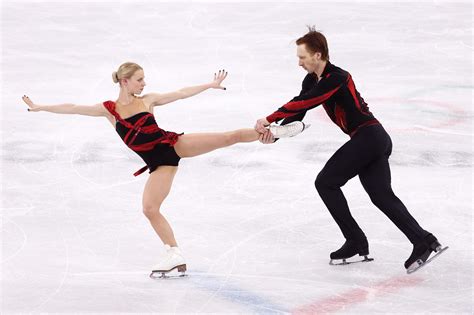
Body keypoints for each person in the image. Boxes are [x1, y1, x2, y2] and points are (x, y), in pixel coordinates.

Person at [22, 62, 306, 278]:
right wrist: (40, 107)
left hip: (173, 145)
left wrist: (208, 85)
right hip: (160, 164)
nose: (144, 83)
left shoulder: (148, 101)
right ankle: (174, 254)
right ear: (124, 81)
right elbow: (73, 107)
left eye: (144, 79)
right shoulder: (109, 109)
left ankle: (274, 132)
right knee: (149, 208)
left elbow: (180, 94)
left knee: (227, 137)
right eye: (139, 79)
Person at [255, 27, 446, 273]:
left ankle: (356, 240)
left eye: (302, 57)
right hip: (370, 139)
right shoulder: (311, 80)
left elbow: (306, 102)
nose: (299, 63)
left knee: (326, 182)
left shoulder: (338, 77)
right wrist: (276, 134)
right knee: (381, 196)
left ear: (318, 55)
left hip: (370, 136)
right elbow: (299, 111)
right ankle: (424, 240)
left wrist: (268, 118)